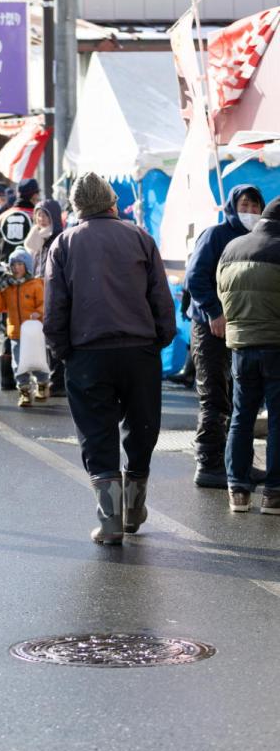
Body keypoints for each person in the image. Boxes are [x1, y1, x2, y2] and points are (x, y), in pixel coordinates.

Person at [43, 172, 176, 546]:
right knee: (142, 427)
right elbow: (161, 297)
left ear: (76, 207)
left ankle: (111, 521)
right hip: (140, 350)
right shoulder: (139, 237)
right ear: (111, 202)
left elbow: (56, 305)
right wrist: (160, 338)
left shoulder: (64, 243)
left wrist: (62, 351)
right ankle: (135, 510)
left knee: (97, 434)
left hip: (87, 354)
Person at [185, 182, 265, 488]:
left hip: (243, 329)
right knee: (215, 396)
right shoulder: (215, 235)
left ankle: (237, 463)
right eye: (244, 205)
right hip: (210, 328)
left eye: (254, 207)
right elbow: (196, 276)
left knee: (240, 398)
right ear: (232, 206)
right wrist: (213, 312)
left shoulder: (260, 239)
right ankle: (209, 464)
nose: (249, 212)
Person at [216, 195, 280, 514]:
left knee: (241, 416)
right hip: (276, 345)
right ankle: (274, 493)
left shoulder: (232, 248)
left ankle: (237, 491)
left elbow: (221, 293)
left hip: (240, 344)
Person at [0, 247, 47, 406]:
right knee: (19, 364)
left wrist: (38, 313)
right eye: (13, 265)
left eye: (20, 264)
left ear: (27, 266)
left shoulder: (36, 285)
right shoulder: (7, 287)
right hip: (15, 332)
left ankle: (42, 384)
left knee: (36, 361)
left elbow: (44, 304)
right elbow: (0, 307)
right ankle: (24, 392)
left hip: (34, 331)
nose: (16, 268)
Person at [25, 197, 66, 394]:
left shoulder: (59, 238)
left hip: (52, 291)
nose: (40, 219)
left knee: (53, 336)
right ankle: (46, 377)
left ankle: (58, 380)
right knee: (39, 338)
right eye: (38, 214)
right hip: (36, 291)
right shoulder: (36, 238)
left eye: (44, 215)